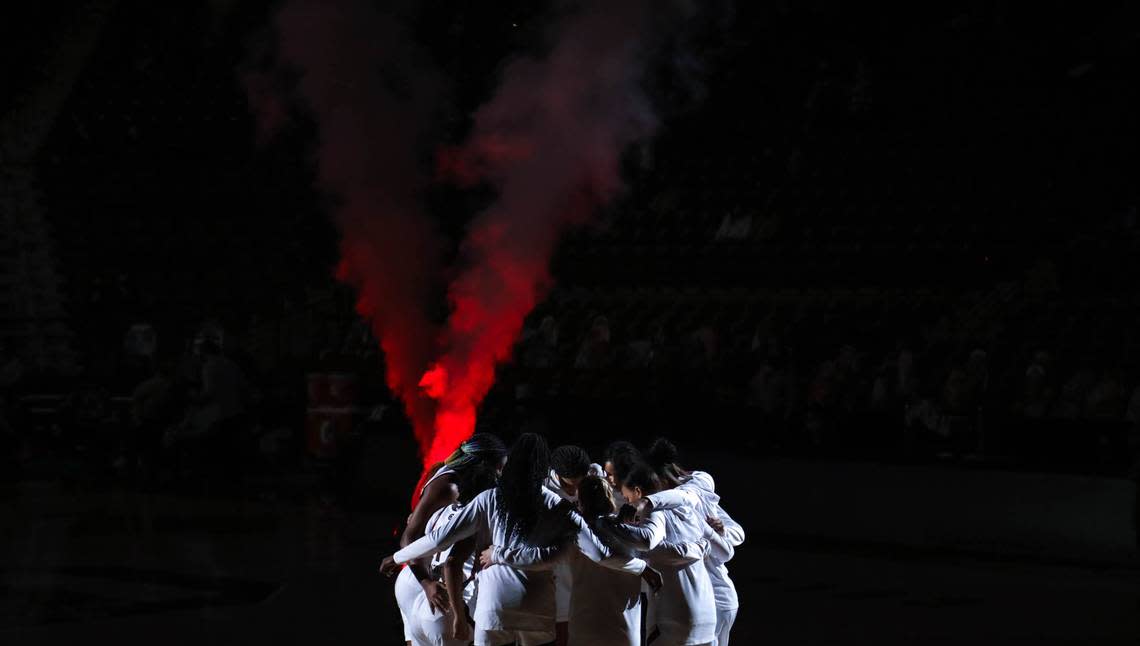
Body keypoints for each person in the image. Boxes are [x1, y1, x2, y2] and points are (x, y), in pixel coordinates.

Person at [381, 434, 658, 646]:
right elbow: (601, 554)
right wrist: (641, 568)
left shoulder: (489, 498)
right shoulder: (555, 504)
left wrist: (396, 557)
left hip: (493, 607)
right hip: (535, 605)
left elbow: (438, 539)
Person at [395, 434, 508, 645]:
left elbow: (432, 536)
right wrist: (427, 582)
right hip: (427, 582)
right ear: (483, 466)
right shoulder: (450, 486)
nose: (501, 475)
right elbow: (410, 537)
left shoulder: (461, 493)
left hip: (416, 580)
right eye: (499, 469)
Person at [641, 439, 745, 646]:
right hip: (700, 600)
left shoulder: (694, 491)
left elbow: (737, 534)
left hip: (716, 596)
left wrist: (721, 532)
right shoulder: (662, 506)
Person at [614, 461, 719, 646]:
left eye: (627, 497)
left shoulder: (653, 514)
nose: (628, 503)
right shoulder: (688, 510)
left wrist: (612, 527)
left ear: (638, 492)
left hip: (676, 616)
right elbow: (715, 546)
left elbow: (648, 545)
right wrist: (699, 548)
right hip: (707, 613)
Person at [545, 445, 606, 645]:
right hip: (557, 571)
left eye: (578, 486)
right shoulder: (543, 486)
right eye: (568, 486)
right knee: (561, 629)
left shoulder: (595, 478)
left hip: (588, 570)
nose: (573, 491)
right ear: (557, 475)